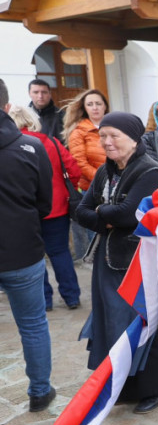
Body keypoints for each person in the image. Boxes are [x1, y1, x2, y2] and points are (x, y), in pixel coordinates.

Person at [74, 112, 158, 415]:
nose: (107, 142)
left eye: (114, 135)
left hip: (138, 262)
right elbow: (80, 210)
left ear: (133, 137)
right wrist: (108, 215)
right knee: (112, 323)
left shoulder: (150, 171)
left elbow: (130, 215)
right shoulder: (106, 170)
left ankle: (151, 388)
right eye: (103, 136)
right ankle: (122, 386)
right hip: (108, 260)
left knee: (139, 323)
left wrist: (103, 214)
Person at [0, 79, 57, 413]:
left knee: (34, 323)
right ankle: (39, 390)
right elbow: (43, 204)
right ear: (8, 107)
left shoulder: (31, 147)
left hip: (23, 252)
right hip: (23, 251)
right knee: (33, 324)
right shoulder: (31, 147)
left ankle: (40, 389)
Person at [9, 105, 83, 311]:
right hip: (56, 208)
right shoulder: (51, 142)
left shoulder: (9, 146)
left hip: (25, 211)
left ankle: (45, 300)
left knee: (35, 257)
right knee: (60, 253)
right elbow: (73, 170)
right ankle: (72, 297)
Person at [63, 89, 109, 259]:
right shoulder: (79, 132)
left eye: (98, 103)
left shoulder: (114, 125)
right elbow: (80, 163)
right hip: (93, 189)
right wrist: (105, 180)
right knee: (96, 237)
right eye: (90, 104)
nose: (95, 107)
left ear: (105, 106)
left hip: (118, 187)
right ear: (84, 108)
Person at [28, 79, 65, 143]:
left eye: (44, 92)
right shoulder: (24, 117)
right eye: (36, 92)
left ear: (50, 94)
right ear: (29, 94)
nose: (40, 96)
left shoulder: (63, 116)